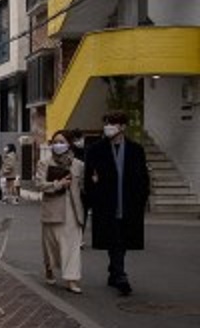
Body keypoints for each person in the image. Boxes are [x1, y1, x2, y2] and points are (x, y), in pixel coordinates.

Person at [83, 111, 150, 295]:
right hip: (106, 203)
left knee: (124, 238)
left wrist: (142, 199)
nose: (108, 127)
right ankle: (120, 275)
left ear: (122, 127)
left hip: (129, 203)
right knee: (114, 238)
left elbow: (143, 178)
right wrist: (92, 198)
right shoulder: (96, 149)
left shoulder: (136, 150)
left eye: (112, 124)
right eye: (106, 123)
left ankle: (114, 270)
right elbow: (88, 178)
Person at [36, 131, 85, 293]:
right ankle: (49, 268)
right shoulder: (44, 163)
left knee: (72, 247)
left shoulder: (78, 164)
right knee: (51, 246)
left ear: (69, 144)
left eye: (61, 141)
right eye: (55, 142)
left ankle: (72, 279)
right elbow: (40, 184)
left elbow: (83, 186)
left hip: (73, 210)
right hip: (52, 210)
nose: (58, 145)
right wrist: (58, 184)